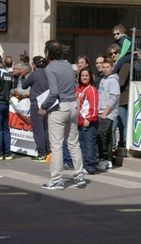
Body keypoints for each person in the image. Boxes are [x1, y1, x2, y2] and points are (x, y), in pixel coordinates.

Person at [38, 39, 85, 189]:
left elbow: (54, 92)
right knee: (73, 143)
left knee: (57, 145)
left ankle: (57, 180)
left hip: (59, 107)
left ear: (47, 53)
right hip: (72, 105)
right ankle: (79, 175)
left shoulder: (50, 68)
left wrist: (43, 106)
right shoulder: (67, 64)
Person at [22, 56, 50, 162]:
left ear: (34, 65)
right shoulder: (49, 73)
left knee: (38, 129)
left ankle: (41, 153)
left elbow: (24, 85)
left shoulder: (34, 74)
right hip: (48, 103)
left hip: (36, 104)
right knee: (46, 129)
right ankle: (48, 151)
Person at [96, 58, 120, 171]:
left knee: (102, 135)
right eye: (104, 67)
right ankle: (108, 159)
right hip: (100, 112)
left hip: (108, 113)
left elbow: (114, 97)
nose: (105, 69)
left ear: (112, 67)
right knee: (106, 136)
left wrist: (105, 112)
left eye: (107, 67)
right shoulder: (103, 79)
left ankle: (104, 159)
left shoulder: (113, 81)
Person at [76, 67, 99, 175]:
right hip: (79, 121)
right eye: (83, 75)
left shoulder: (91, 90)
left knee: (88, 144)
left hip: (88, 122)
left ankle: (90, 167)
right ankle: (83, 165)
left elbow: (93, 106)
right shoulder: (78, 89)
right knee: (81, 144)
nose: (84, 77)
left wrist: (89, 118)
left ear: (90, 77)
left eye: (87, 75)